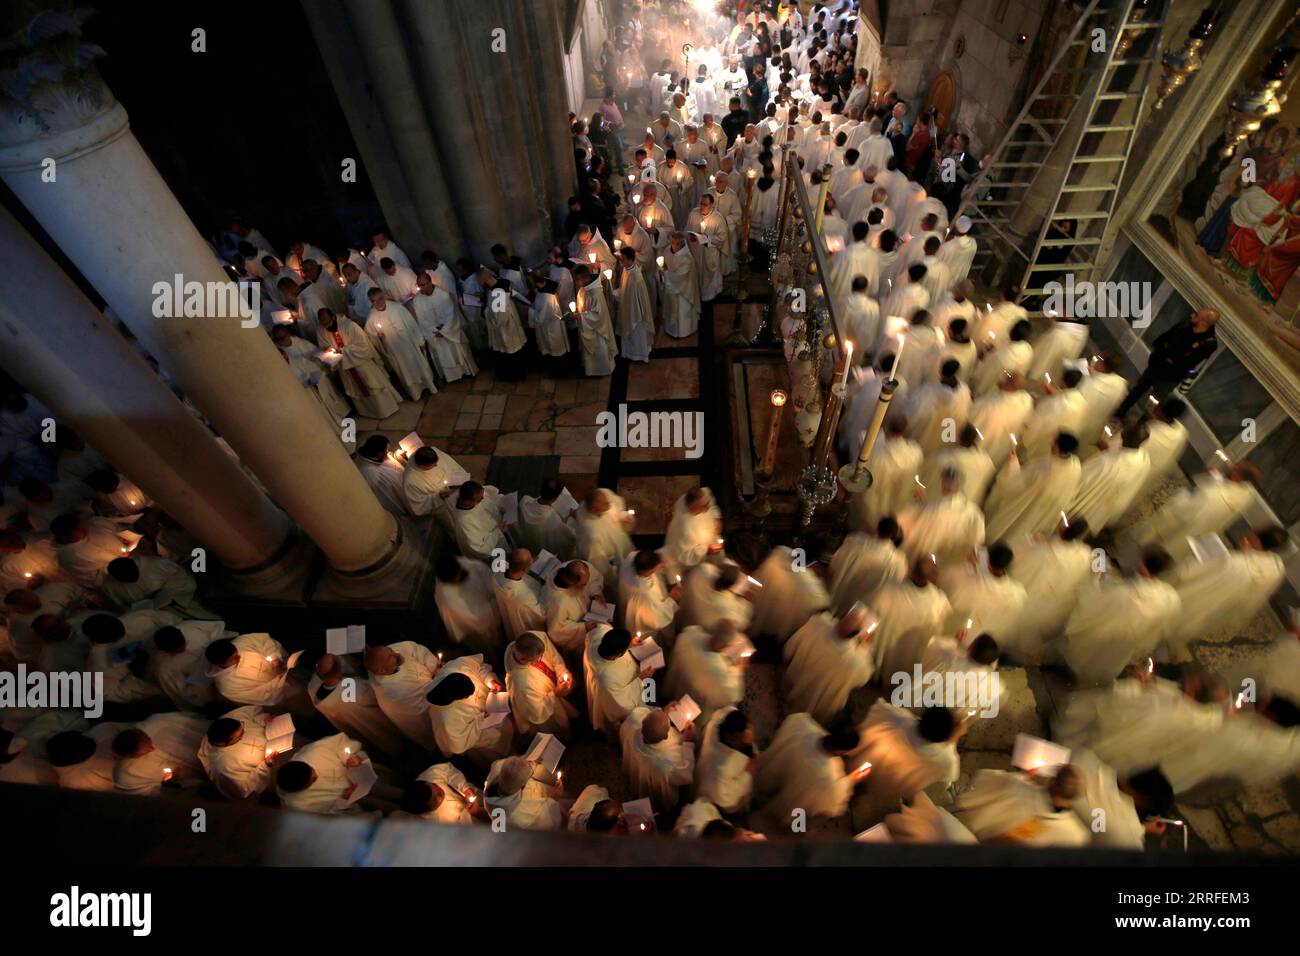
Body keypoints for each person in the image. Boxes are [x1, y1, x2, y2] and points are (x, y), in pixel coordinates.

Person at [1063, 548, 1182, 686]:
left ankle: (1077, 673)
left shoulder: (1124, 595)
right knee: (1109, 662)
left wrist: (1094, 579)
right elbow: (1165, 627)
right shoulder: (1170, 597)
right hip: (1129, 645)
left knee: (1090, 657)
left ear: (1142, 565)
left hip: (1104, 639)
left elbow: (1090, 608)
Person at [1166, 525, 1287, 652]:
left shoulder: (1234, 563)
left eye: (1254, 531)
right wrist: (1245, 554)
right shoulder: (1277, 569)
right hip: (1219, 609)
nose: (1250, 531)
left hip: (1194, 598)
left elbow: (1189, 573)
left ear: (1256, 540)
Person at [849, 702, 963, 827]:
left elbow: (879, 709)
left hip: (871, 764)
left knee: (859, 778)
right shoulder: (945, 760)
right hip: (891, 784)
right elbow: (952, 774)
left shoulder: (897, 719)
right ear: (943, 738)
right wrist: (952, 742)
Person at [1122, 462, 1260, 562]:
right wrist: (1217, 479)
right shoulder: (1246, 495)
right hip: (1195, 536)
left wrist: (1179, 496)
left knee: (1143, 547)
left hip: (1176, 526)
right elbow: (1225, 491)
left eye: (1235, 467)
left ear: (1237, 474)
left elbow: (1182, 510)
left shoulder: (1211, 495)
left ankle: (1123, 562)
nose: (1231, 466)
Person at [753, 714, 862, 827]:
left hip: (774, 772)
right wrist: (852, 779)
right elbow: (834, 797)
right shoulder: (828, 777)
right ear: (842, 751)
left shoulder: (802, 723)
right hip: (788, 798)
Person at [783, 604, 877, 726]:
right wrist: (865, 648)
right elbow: (863, 678)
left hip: (796, 679)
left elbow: (790, 648)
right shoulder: (854, 663)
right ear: (857, 635)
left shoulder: (818, 622)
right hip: (815, 701)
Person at [1117, 307, 1220, 416]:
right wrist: (1159, 352)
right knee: (1137, 390)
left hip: (1169, 377)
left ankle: (1142, 425)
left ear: (1204, 322)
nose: (1192, 316)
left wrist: (1172, 359)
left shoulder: (1209, 343)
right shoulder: (1187, 324)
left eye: (1197, 315)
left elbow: (1190, 362)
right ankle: (1121, 410)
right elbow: (1168, 336)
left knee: (1155, 403)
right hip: (1156, 364)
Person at [952, 765, 1091, 846]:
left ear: (1053, 781)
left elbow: (981, 779)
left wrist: (1022, 776)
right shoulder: (1075, 835)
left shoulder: (1012, 787)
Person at [983, 432, 1083, 541]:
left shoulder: (1042, 470)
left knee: (1013, 529)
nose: (1050, 444)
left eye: (1053, 442)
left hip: (1025, 510)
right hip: (1045, 513)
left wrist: (1013, 463)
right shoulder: (1075, 466)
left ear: (1058, 448)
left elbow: (1013, 485)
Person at [870, 555, 952, 680]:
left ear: (911, 570)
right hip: (909, 653)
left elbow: (873, 612)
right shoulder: (939, 601)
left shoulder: (888, 588)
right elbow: (938, 626)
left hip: (886, 647)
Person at [308, 653, 405, 757]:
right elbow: (380, 695)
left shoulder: (313, 689)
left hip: (356, 731)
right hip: (378, 724)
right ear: (338, 672)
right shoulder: (356, 690)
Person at [315, 308, 400, 420]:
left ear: (333, 317)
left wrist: (343, 351)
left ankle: (385, 410)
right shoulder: (321, 330)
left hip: (360, 363)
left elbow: (363, 346)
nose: (325, 325)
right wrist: (327, 350)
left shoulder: (349, 326)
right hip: (344, 367)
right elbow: (324, 345)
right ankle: (368, 412)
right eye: (322, 322)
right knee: (356, 390)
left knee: (373, 385)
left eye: (326, 321)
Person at [425, 661, 515, 767]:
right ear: (457, 699)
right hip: (487, 735)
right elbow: (457, 744)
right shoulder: (445, 719)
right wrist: (481, 719)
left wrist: (490, 681)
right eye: (466, 697)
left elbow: (479, 668)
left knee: (509, 731)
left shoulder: (455, 667)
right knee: (501, 755)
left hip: (497, 714)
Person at [1069, 423, 1152, 531]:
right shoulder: (1144, 460)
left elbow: (1081, 480)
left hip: (1085, 501)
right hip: (1104, 507)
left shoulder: (1105, 462)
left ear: (1122, 435)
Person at [847, 416, 923, 533]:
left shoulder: (873, 455)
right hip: (897, 505)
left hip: (873, 506)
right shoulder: (915, 453)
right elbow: (915, 479)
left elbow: (860, 480)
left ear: (887, 430)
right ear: (905, 431)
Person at [897, 466, 985, 567]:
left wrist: (917, 504)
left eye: (943, 481)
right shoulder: (974, 513)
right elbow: (977, 542)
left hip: (929, 562)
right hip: (952, 567)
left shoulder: (934, 511)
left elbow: (914, 532)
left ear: (945, 484)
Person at [666, 620, 746, 727]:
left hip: (678, 686)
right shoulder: (720, 675)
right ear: (725, 646)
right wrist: (738, 670)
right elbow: (732, 695)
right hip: (696, 705)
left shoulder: (689, 635)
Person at [363, 641, 442, 751]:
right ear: (381, 671)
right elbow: (422, 708)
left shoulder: (390, 652)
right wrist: (437, 680)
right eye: (391, 657)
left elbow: (417, 650)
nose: (396, 653)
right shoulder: (392, 693)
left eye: (390, 650)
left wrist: (433, 667)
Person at [111, 713, 210, 796]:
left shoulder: (158, 722)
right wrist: (167, 787)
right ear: (131, 756)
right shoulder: (128, 775)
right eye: (145, 751)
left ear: (139, 732)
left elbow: (196, 719)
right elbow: (150, 799)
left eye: (149, 741)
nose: (152, 748)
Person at [748, 544, 832, 641]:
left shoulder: (779, 553)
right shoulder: (811, 587)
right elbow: (821, 605)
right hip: (778, 631)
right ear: (813, 562)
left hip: (759, 614)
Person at [275, 733, 374, 815]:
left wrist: (350, 757)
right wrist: (344, 801)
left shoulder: (312, 752)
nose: (318, 776)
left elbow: (340, 744)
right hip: (365, 804)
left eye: (312, 769)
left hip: (369, 774)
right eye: (313, 780)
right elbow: (327, 819)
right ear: (300, 789)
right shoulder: (298, 808)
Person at [503, 630, 578, 738]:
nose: (539, 660)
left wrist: (562, 671)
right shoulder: (519, 684)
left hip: (555, 683)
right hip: (548, 711)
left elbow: (553, 656)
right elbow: (536, 711)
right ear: (522, 659)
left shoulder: (535, 638)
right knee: (558, 726)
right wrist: (555, 694)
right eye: (535, 660)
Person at [620, 705, 695, 811]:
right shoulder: (668, 759)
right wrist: (687, 741)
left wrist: (664, 711)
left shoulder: (633, 725)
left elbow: (646, 715)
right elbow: (685, 775)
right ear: (665, 736)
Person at [196, 706, 277, 800]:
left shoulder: (232, 719)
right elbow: (245, 789)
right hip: (274, 771)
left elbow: (253, 714)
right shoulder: (223, 767)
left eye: (242, 729)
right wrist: (265, 766)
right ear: (224, 743)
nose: (244, 733)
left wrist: (263, 720)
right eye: (240, 736)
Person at [409, 272, 478, 382]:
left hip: (450, 331)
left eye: (423, 285)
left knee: (457, 352)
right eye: (419, 285)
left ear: (430, 282)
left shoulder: (443, 295)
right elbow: (422, 320)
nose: (421, 288)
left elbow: (451, 315)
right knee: (443, 355)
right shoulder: (417, 300)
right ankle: (451, 377)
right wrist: (435, 331)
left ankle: (465, 372)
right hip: (435, 333)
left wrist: (444, 331)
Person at [829, 520, 907, 617]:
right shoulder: (897, 561)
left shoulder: (853, 541)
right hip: (861, 612)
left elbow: (834, 564)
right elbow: (895, 586)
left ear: (877, 528)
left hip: (838, 598)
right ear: (894, 535)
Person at [584, 625, 651, 737]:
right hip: (608, 696)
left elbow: (599, 628)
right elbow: (621, 704)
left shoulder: (598, 638)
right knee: (650, 694)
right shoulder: (606, 679)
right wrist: (641, 680)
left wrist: (630, 644)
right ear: (618, 655)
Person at [101, 554, 208, 619]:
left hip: (181, 597)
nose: (132, 580)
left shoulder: (156, 564)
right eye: (126, 579)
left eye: (134, 575)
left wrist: (169, 595)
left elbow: (180, 576)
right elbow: (121, 607)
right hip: (155, 614)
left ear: (135, 565)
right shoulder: (110, 587)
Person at [434, 553, 503, 655]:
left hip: (489, 604)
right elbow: (478, 620)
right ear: (449, 581)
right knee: (490, 647)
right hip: (480, 629)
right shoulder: (448, 599)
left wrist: (494, 591)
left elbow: (483, 572)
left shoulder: (463, 564)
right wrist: (495, 604)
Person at [205, 632, 296, 708]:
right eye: (233, 659)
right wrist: (281, 679)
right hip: (286, 689)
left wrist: (275, 656)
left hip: (290, 668)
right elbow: (262, 696)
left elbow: (265, 641)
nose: (239, 657)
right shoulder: (227, 687)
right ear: (220, 664)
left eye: (237, 653)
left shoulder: (242, 642)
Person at [575, 488, 635, 600]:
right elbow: (599, 561)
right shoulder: (592, 535)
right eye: (604, 504)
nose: (609, 503)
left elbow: (614, 510)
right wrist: (612, 575)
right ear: (594, 509)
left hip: (621, 545)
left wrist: (623, 517)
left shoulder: (595, 500)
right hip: (612, 559)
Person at [696, 706, 757, 814]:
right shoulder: (717, 768)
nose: (747, 746)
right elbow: (724, 799)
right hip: (717, 793)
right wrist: (747, 774)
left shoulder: (727, 714)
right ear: (730, 738)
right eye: (742, 743)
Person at [483, 755, 563, 831]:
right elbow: (548, 821)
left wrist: (529, 763)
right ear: (522, 786)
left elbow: (514, 767)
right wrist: (556, 796)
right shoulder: (522, 817)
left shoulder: (498, 768)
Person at [618, 548, 681, 642]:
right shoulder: (644, 594)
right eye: (657, 567)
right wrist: (672, 599)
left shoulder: (631, 559)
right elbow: (656, 619)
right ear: (649, 571)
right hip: (642, 618)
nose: (660, 567)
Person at [662, 487, 722, 573]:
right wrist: (706, 551)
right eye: (704, 506)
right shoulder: (682, 528)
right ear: (692, 508)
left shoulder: (702, 494)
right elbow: (685, 555)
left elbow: (712, 505)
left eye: (707, 503)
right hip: (695, 565)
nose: (708, 508)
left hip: (711, 541)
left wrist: (717, 518)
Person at [515, 478, 578, 560]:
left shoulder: (524, 502)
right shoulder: (555, 521)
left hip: (525, 544)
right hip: (542, 553)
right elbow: (571, 539)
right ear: (556, 498)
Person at [398, 763, 479, 826]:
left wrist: (465, 788)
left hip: (473, 795)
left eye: (436, 787)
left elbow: (449, 771)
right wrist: (467, 814)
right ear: (427, 810)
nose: (440, 795)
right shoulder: (433, 822)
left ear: (428, 782)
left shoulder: (431, 775)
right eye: (434, 799)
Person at [448, 480, 508, 563]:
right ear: (468, 502)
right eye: (480, 499)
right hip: (494, 545)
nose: (483, 498)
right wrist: (499, 533)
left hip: (501, 523)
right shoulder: (464, 523)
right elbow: (480, 549)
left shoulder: (471, 492)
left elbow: (492, 496)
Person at [493, 548, 548, 639]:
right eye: (532, 560)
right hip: (525, 630)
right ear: (526, 568)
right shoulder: (523, 598)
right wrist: (547, 586)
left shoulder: (498, 573)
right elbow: (541, 615)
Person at [575, 265, 618, 376]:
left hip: (598, 331)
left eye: (578, 279)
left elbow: (598, 316)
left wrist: (581, 317)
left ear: (585, 278)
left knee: (600, 349)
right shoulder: (584, 289)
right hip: (588, 327)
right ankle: (592, 369)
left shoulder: (595, 293)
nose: (576, 282)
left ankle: (603, 369)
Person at [354, 435, 409, 516]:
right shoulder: (375, 475)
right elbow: (394, 495)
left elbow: (386, 460)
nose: (388, 453)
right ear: (379, 454)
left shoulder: (369, 456)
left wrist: (397, 456)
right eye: (386, 450)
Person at [660, 232, 702, 338]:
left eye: (677, 243)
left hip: (683, 291)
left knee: (682, 313)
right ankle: (671, 330)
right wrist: (661, 269)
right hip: (670, 287)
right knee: (671, 309)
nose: (674, 245)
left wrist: (665, 271)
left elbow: (680, 277)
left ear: (682, 244)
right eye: (673, 242)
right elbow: (662, 265)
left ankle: (684, 331)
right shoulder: (666, 251)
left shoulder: (687, 258)